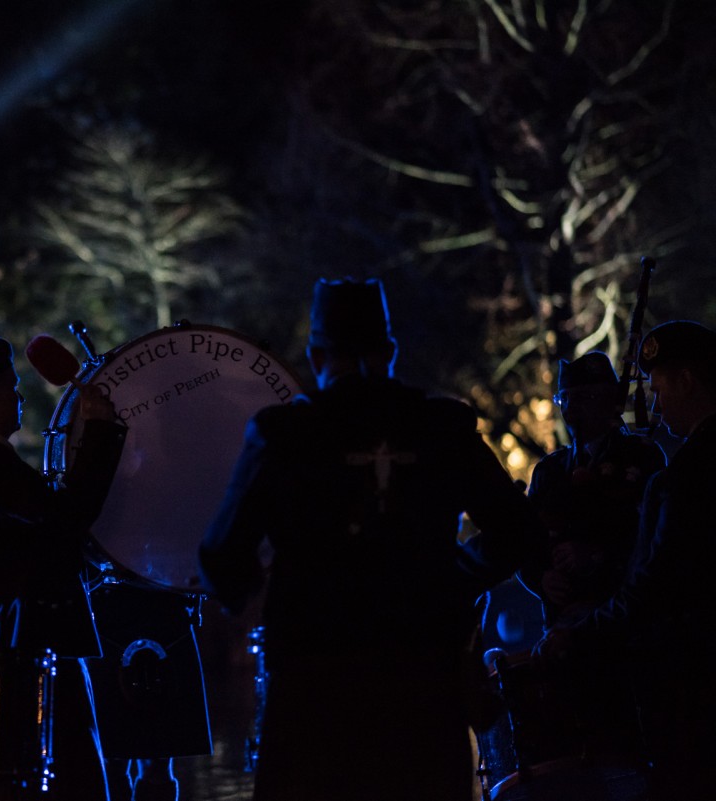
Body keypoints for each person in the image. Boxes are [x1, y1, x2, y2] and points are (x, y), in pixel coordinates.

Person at [199, 278, 539, 801]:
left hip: (314, 688)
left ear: (316, 355)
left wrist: (265, 594)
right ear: (390, 351)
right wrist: (451, 576)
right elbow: (516, 531)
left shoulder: (284, 433)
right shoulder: (442, 427)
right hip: (423, 685)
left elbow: (221, 555)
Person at [0, 337, 127, 801]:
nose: (20, 397)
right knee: (63, 781)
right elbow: (66, 517)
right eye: (12, 386)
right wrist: (97, 430)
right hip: (26, 653)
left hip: (14, 647)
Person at [535, 320, 716, 799]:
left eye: (658, 388)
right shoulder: (552, 470)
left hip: (679, 668)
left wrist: (584, 624)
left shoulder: (674, 474)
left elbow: (655, 580)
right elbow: (532, 544)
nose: (654, 403)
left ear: (686, 380)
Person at [523, 351, 665, 627]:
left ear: (611, 401)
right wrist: (540, 577)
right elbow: (526, 540)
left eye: (585, 397)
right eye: (565, 398)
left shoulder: (642, 457)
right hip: (562, 625)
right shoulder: (549, 471)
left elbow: (656, 538)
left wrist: (598, 556)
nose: (571, 408)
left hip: (625, 620)